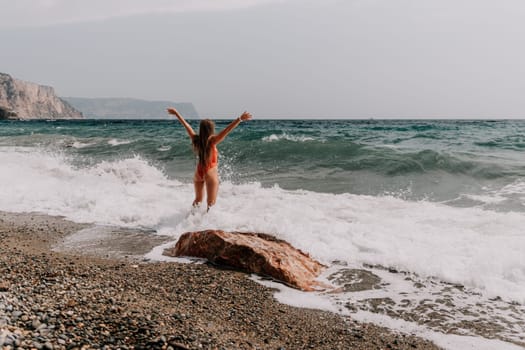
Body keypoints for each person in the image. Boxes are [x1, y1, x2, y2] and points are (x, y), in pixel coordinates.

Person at [167, 107, 252, 211]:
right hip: (210, 172)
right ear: (211, 129)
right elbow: (227, 130)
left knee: (198, 200)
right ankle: (208, 224)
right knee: (211, 204)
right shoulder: (212, 141)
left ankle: (191, 221)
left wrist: (176, 113)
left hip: (198, 173)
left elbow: (186, 126)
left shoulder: (196, 139)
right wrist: (239, 119)